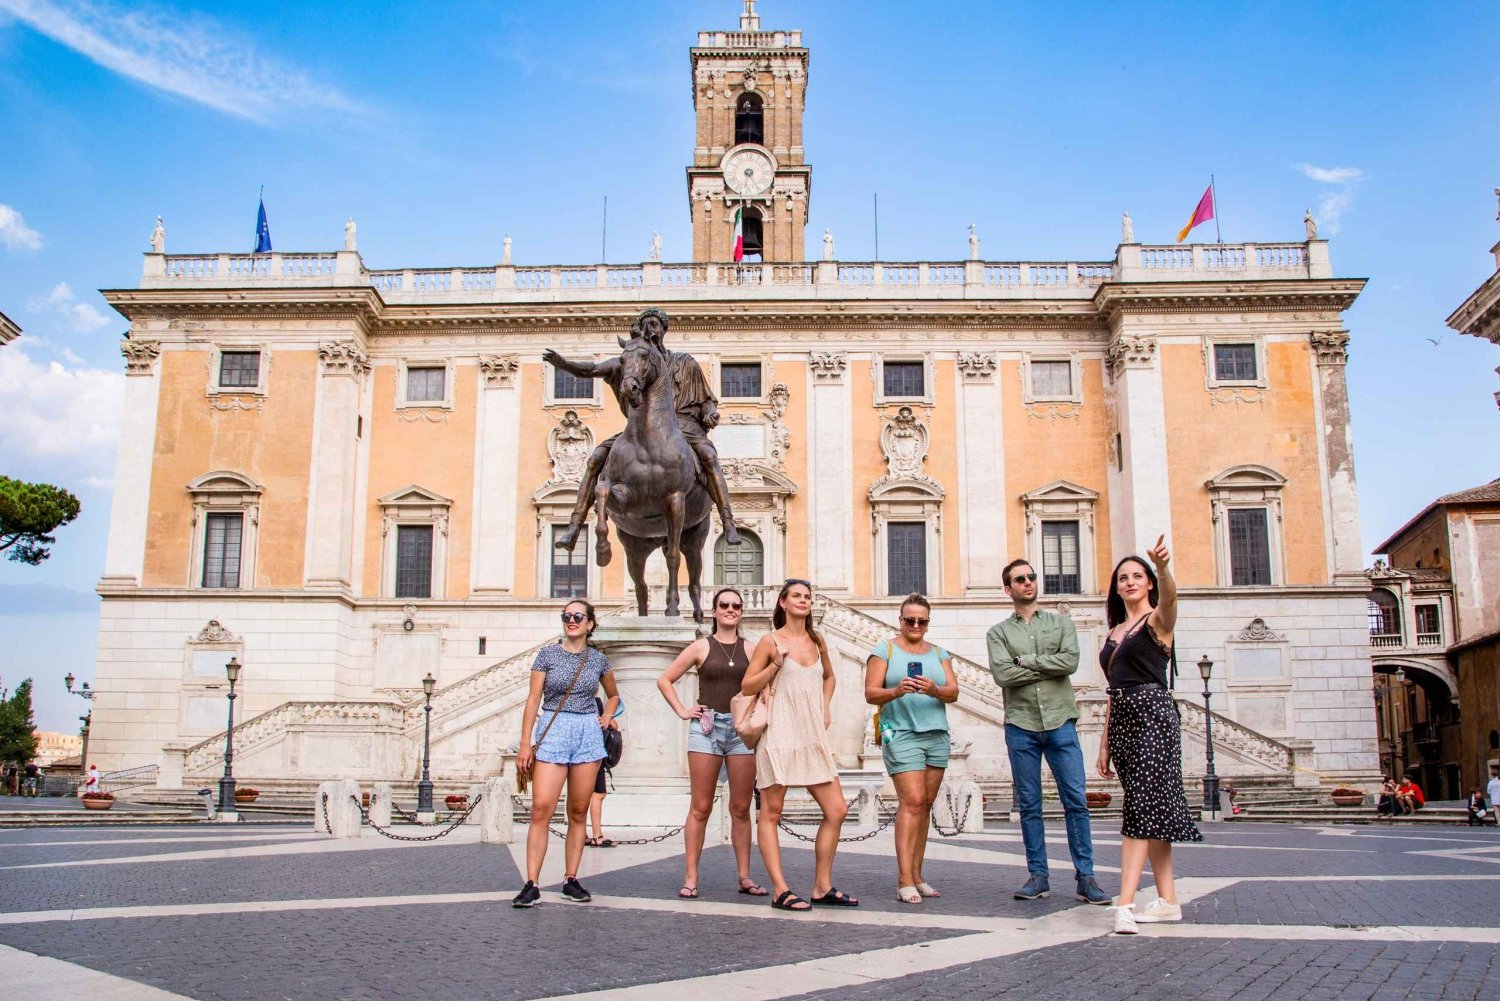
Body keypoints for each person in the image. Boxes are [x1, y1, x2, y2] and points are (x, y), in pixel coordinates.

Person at [542, 307, 741, 554]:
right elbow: (591, 370)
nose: (651, 329)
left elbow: (706, 398)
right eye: (646, 324)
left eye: (655, 324)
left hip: (685, 428)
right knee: (595, 459)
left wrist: (709, 411)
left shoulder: (684, 362)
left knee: (709, 458)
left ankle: (728, 522)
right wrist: (564, 364)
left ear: (664, 329)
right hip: (639, 430)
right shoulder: (631, 360)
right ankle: (574, 525)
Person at [987, 560, 1111, 906]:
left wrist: (1024, 661)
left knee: (1076, 802)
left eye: (1031, 577)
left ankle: (1085, 877)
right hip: (1021, 725)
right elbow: (1002, 675)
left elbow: (1069, 663)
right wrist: (1045, 664)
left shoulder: (1061, 623)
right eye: (1020, 579)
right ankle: (1037, 876)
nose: (1028, 583)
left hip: (1060, 722)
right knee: (1029, 805)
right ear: (1008, 589)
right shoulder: (997, 633)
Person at [1097, 536, 1202, 935]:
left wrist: (1163, 569)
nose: (1129, 582)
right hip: (1123, 717)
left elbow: (1172, 600)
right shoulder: (1115, 631)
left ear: (1149, 583)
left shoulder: (1158, 620)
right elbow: (1112, 687)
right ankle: (1168, 901)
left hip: (1154, 714)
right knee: (1151, 807)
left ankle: (1125, 904)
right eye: (1123, 577)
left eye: (1137, 576)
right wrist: (1105, 742)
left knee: (1140, 808)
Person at [740, 578, 858, 912]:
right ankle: (780, 889)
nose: (803, 601)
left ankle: (822, 886)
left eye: (807, 596)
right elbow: (747, 685)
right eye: (796, 596)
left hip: (811, 735)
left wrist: (825, 705)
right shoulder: (769, 641)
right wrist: (776, 664)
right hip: (779, 732)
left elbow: (830, 676)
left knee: (837, 809)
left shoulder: (817, 640)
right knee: (772, 812)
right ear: (783, 603)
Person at [656, 586, 768, 899]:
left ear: (741, 612)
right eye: (724, 605)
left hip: (741, 732)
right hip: (706, 728)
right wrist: (683, 710)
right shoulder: (701, 647)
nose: (730, 609)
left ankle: (745, 876)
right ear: (714, 611)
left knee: (742, 808)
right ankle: (691, 877)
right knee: (701, 806)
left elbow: (765, 684)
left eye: (736, 606)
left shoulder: (752, 649)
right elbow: (665, 679)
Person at [513, 599, 621, 908]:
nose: (571, 620)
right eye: (567, 616)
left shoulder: (599, 660)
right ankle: (531, 883)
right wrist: (525, 743)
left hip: (587, 732)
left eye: (578, 616)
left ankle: (571, 879)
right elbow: (533, 700)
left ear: (589, 624)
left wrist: (606, 715)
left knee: (577, 811)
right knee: (541, 808)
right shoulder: (547, 655)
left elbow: (613, 695)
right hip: (554, 727)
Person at [865, 593, 958, 905]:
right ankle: (904, 879)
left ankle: (917, 875)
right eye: (910, 620)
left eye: (922, 621)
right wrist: (896, 690)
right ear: (900, 620)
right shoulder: (885, 649)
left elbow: (953, 691)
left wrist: (935, 689)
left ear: (928, 623)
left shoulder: (939, 653)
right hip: (900, 732)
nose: (915, 625)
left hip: (936, 732)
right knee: (912, 801)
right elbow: (870, 693)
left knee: (926, 803)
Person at [585, 694, 624, 848]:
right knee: (598, 794)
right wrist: (611, 721)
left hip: (584, 751)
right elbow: (607, 723)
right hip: (593, 751)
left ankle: (582, 834)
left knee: (582, 794)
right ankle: (597, 835)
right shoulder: (594, 701)